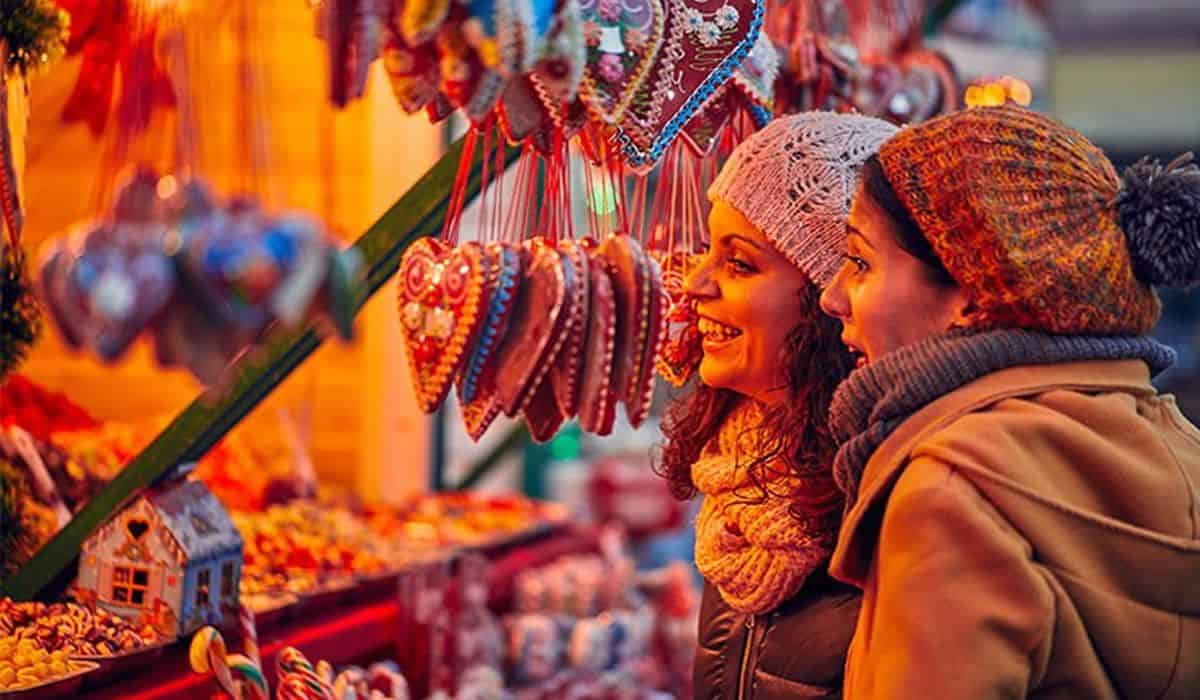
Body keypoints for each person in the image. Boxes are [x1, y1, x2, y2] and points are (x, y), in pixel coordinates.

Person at [819, 104, 1200, 698]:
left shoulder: (951, 494)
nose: (832, 297)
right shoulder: (1183, 448)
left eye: (859, 262)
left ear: (972, 299)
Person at [655, 111, 897, 699]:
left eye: (739, 263)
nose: (696, 284)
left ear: (830, 299)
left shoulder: (889, 499)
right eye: (708, 252)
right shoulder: (739, 483)